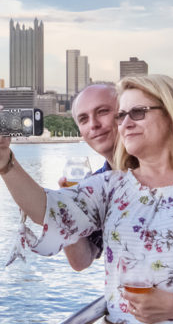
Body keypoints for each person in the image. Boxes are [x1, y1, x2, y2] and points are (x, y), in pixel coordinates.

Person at [0, 74, 173, 323]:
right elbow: (48, 210)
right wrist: (3, 160)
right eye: (121, 115)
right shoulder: (109, 186)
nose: (125, 123)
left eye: (137, 112)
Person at [59, 84, 118, 271]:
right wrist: (67, 208)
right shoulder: (95, 184)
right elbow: (81, 261)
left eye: (102, 112)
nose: (93, 124)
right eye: (83, 119)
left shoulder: (161, 171)